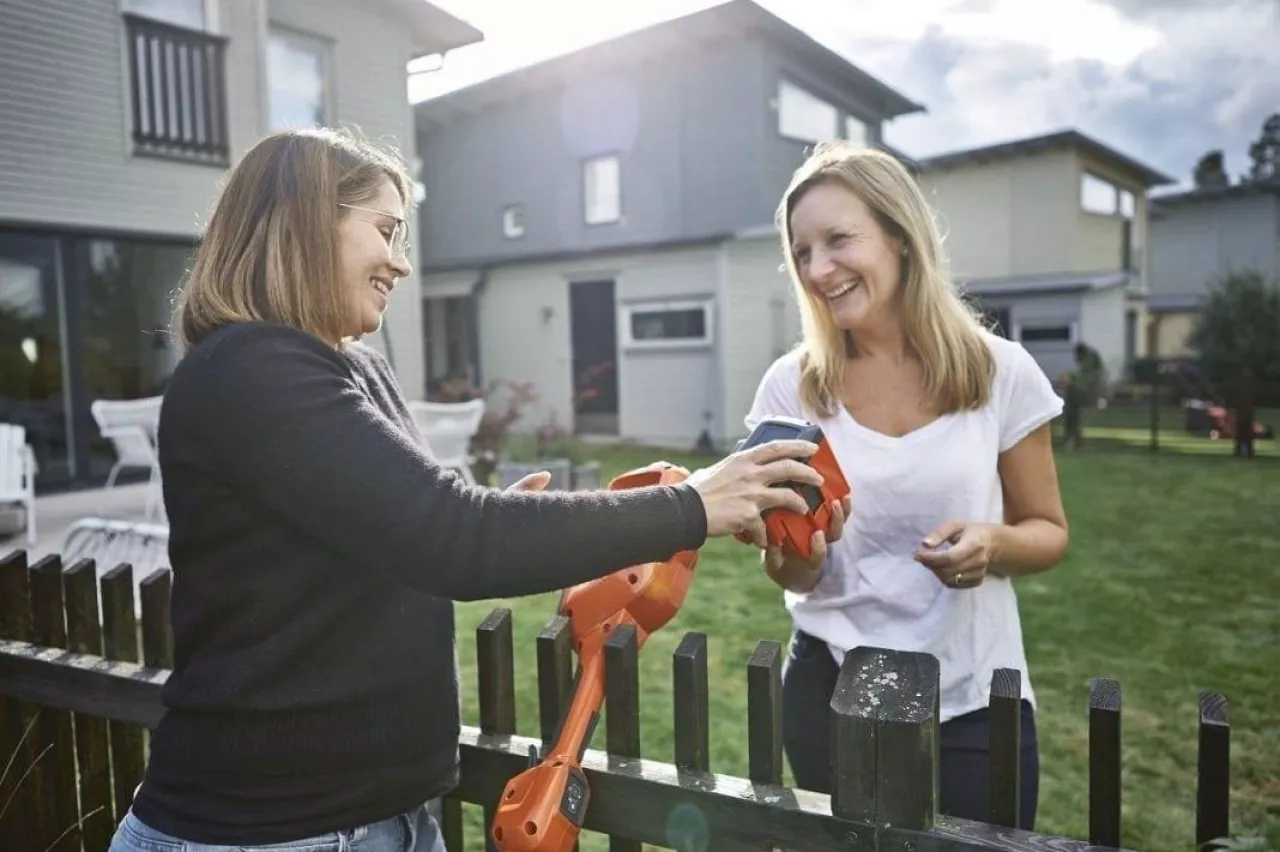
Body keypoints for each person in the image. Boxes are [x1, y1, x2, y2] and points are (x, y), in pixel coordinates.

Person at [106, 127, 826, 852]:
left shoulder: (354, 368)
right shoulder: (248, 371)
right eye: (385, 231)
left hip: (379, 815)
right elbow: (454, 538)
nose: (402, 262)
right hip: (268, 831)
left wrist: (510, 512)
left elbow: (414, 526)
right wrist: (692, 506)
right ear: (303, 223)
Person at [743, 141, 1069, 830]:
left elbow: (1048, 532)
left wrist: (992, 542)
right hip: (829, 689)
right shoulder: (792, 387)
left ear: (900, 236)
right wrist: (792, 547)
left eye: (837, 240)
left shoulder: (1000, 373)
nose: (817, 269)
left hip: (973, 696)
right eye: (802, 252)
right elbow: (795, 574)